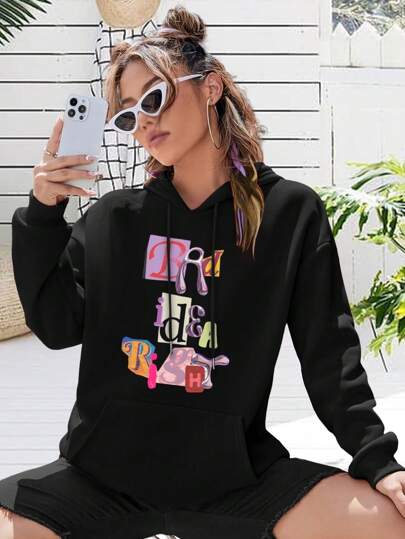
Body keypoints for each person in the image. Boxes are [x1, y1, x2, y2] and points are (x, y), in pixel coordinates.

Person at [1, 5, 405, 539]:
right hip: (101, 480)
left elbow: (328, 354)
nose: (144, 122)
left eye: (154, 98)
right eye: (128, 116)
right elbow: (55, 326)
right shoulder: (115, 219)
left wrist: (378, 460)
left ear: (210, 87)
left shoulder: (287, 214)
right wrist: (42, 213)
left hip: (236, 481)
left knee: (389, 521)